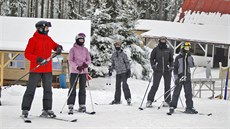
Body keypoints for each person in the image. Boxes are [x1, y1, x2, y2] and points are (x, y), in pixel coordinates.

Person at [21, 20, 63, 118]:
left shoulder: (48, 39)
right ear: (41, 28)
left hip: (47, 69)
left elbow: (55, 45)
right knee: (30, 90)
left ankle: (47, 109)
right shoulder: (33, 40)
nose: (48, 30)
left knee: (48, 90)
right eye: (46, 28)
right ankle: (25, 109)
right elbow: (27, 54)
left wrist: (58, 48)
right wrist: (37, 59)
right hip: (36, 69)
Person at [168, 42, 198, 114]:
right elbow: (175, 69)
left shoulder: (189, 56)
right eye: (186, 47)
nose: (187, 49)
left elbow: (191, 65)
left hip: (187, 77)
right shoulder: (178, 57)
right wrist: (176, 78)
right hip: (180, 77)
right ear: (182, 48)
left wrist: (189, 56)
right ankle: (172, 106)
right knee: (176, 93)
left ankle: (189, 107)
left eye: (188, 47)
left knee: (188, 93)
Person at [146, 36, 174, 107]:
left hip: (167, 70)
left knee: (167, 86)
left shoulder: (169, 50)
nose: (163, 41)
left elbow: (171, 59)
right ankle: (149, 100)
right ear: (159, 40)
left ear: (166, 41)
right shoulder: (156, 49)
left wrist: (171, 66)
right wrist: (153, 65)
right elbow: (152, 58)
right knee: (155, 85)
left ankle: (167, 101)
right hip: (158, 69)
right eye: (162, 40)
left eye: (164, 40)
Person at [67, 33, 91, 114]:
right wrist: (77, 67)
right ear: (77, 40)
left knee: (82, 88)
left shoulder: (85, 50)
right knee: (72, 88)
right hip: (75, 71)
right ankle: (70, 104)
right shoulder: (72, 49)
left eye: (83, 40)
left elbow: (89, 59)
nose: (81, 41)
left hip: (83, 72)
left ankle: (82, 105)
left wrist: (85, 64)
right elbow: (70, 60)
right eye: (80, 39)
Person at [108, 41, 132, 105]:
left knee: (124, 85)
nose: (117, 46)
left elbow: (127, 62)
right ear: (115, 46)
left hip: (124, 72)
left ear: (120, 46)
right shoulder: (114, 55)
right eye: (116, 45)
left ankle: (128, 98)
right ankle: (117, 100)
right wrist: (110, 70)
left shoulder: (123, 54)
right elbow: (112, 64)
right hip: (118, 72)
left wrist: (128, 70)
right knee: (117, 86)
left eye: (119, 45)